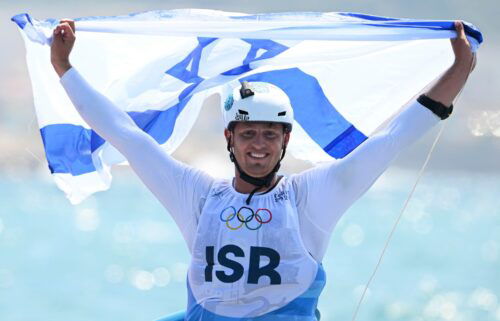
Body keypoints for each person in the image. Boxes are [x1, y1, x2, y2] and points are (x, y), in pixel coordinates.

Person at [51, 19, 475, 321]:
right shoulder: (196, 195)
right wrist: (64, 68)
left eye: (270, 135)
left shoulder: (313, 196)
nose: (259, 145)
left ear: (285, 141)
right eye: (248, 133)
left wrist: (457, 71)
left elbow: (392, 139)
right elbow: (127, 135)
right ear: (229, 140)